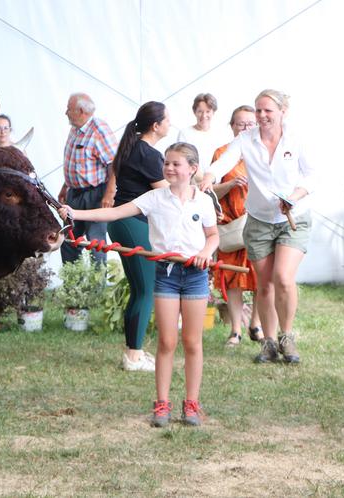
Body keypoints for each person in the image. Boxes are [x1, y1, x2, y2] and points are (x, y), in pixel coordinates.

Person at [59, 142, 218, 427]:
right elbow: (115, 213)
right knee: (167, 341)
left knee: (192, 342)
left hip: (194, 276)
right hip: (166, 275)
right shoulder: (155, 198)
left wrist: (206, 252)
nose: (168, 168)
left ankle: (192, 404)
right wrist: (76, 214)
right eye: (166, 163)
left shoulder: (203, 202)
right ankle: (162, 404)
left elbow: (213, 235)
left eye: (176, 164)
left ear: (192, 169)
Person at [200, 89, 314, 364]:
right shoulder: (246, 139)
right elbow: (225, 160)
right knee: (264, 284)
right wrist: (209, 176)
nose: (262, 116)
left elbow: (311, 175)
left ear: (282, 112)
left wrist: (294, 197)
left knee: (283, 278)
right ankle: (269, 342)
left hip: (293, 218)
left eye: (268, 111)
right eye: (258, 110)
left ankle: (287, 337)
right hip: (259, 221)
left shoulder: (296, 139)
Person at [106, 101, 170, 372]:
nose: (170, 124)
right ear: (156, 126)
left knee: (138, 289)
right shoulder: (149, 154)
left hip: (122, 223)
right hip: (133, 223)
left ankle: (133, 351)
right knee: (145, 290)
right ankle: (134, 355)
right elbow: (167, 194)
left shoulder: (131, 147)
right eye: (168, 120)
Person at [211, 105, 263, 346]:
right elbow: (209, 190)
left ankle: (256, 324)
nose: (246, 128)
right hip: (231, 226)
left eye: (250, 124)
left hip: (259, 225)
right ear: (232, 126)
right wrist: (230, 184)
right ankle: (235, 330)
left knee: (261, 278)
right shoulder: (222, 153)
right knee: (233, 280)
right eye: (240, 124)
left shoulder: (264, 152)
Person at [58, 92, 118, 265]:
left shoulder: (99, 130)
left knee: (95, 242)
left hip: (96, 193)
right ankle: (72, 285)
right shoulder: (75, 128)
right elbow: (76, 163)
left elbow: (114, 163)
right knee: (68, 239)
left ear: (81, 111)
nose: (66, 112)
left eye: (69, 109)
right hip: (74, 193)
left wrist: (109, 193)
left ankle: (97, 289)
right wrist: (65, 186)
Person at [177, 93, 229, 179]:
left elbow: (224, 160)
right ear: (194, 112)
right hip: (192, 181)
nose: (204, 116)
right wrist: (202, 180)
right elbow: (184, 160)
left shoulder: (221, 134)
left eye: (208, 111)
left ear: (213, 112)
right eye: (200, 111)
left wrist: (210, 179)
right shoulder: (185, 133)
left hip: (216, 181)